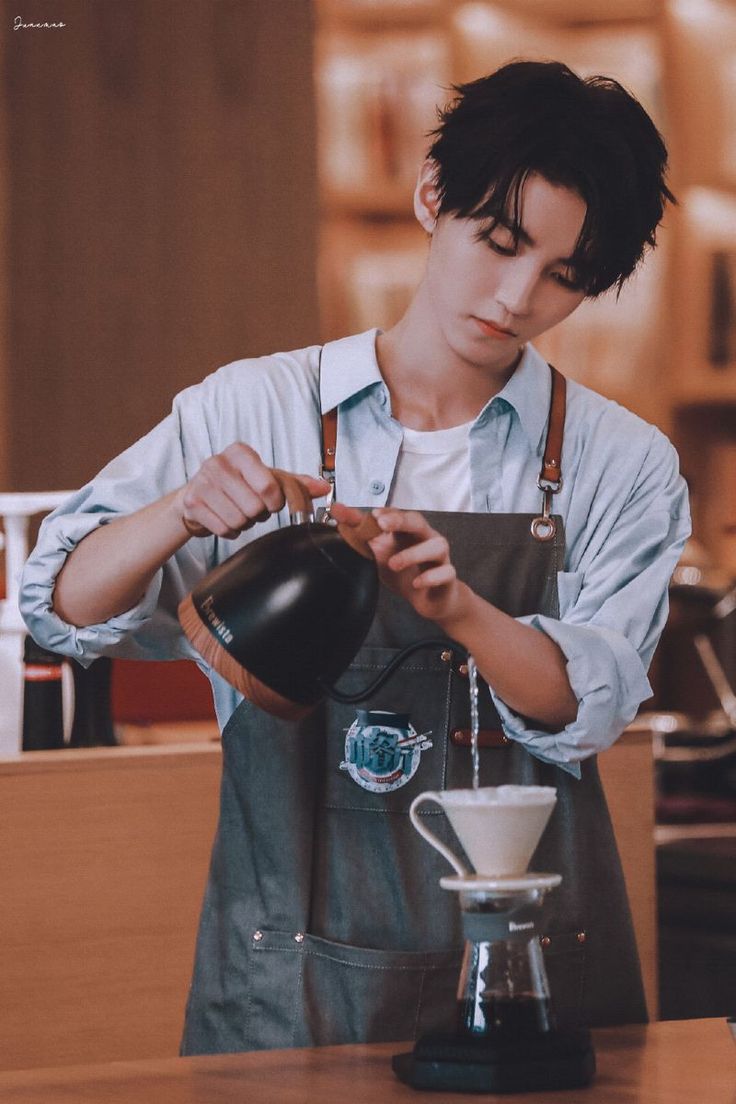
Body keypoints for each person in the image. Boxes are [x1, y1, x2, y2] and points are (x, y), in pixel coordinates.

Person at [21, 60, 690, 1052]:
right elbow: (58, 601)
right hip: (287, 973)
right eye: (498, 243)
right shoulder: (251, 405)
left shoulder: (620, 462)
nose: (514, 298)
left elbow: (582, 709)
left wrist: (458, 605)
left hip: (532, 977)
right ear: (432, 196)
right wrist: (181, 509)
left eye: (562, 276)